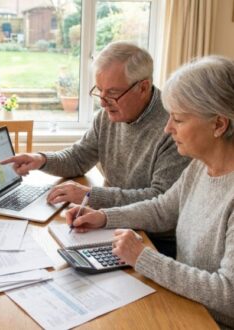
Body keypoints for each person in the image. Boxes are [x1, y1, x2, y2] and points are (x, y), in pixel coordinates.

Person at [66, 56, 234, 329]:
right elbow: (162, 209)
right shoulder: (200, 168)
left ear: (218, 125)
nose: (168, 128)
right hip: (185, 305)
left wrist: (143, 257)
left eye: (178, 119)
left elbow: (228, 294)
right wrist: (104, 217)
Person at [2, 41, 190, 256]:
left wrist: (90, 195)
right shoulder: (108, 116)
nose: (102, 102)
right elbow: (78, 157)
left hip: (153, 241)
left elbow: (160, 202)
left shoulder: (173, 128)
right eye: (99, 91)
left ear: (143, 87)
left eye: (112, 93)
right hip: (114, 223)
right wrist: (41, 159)